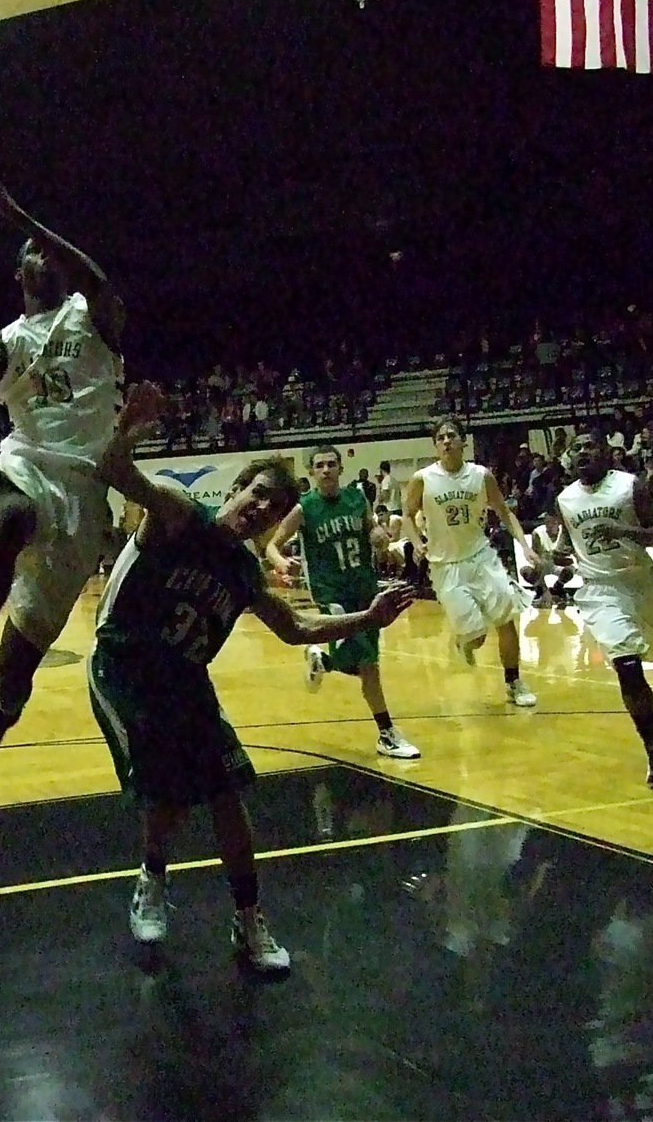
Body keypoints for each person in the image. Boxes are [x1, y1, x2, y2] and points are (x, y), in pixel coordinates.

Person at [92, 416, 414, 973]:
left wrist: (371, 616)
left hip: (186, 681)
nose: (261, 508)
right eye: (258, 493)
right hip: (126, 670)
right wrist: (131, 427)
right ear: (238, 488)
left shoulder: (243, 571)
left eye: (272, 506)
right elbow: (113, 469)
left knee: (228, 794)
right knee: (167, 793)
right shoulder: (176, 513)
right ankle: (151, 875)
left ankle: (248, 919)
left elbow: (297, 631)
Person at [0, 156, 125, 760]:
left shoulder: (94, 315)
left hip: (83, 493)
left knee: (19, 668)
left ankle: (2, 707)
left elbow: (102, 283)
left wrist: (18, 216)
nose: (45, 253)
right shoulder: (4, 341)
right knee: (12, 517)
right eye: (33, 249)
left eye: (50, 248)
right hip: (24, 465)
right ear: (18, 272)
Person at [556, 430, 653, 789]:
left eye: (590, 445)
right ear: (570, 457)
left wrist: (622, 529)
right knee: (627, 664)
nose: (583, 451)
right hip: (602, 590)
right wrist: (553, 559)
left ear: (606, 453)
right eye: (577, 448)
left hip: (643, 583)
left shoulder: (628, 486)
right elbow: (564, 546)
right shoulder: (564, 499)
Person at [266, 445, 420, 759]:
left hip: (365, 590)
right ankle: (387, 733)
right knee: (369, 665)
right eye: (319, 465)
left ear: (339, 468)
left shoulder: (356, 499)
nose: (326, 470)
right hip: (332, 596)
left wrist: (378, 536)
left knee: (364, 663)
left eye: (331, 464)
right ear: (311, 472)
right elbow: (272, 544)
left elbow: (372, 527)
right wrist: (280, 562)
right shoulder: (304, 508)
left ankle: (324, 661)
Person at [403, 417, 540, 706]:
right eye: (440, 437)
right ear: (435, 445)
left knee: (505, 616)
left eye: (452, 435)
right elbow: (407, 514)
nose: (446, 441)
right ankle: (463, 639)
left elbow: (504, 511)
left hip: (480, 557)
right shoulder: (423, 478)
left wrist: (525, 546)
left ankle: (514, 682)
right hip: (445, 565)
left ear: (463, 441)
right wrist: (417, 543)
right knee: (476, 637)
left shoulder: (481, 475)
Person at [523, 511, 576, 606]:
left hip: (558, 564)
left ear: (558, 523)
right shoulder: (538, 533)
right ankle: (541, 590)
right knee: (526, 571)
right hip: (543, 562)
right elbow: (536, 556)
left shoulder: (564, 532)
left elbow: (570, 553)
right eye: (548, 523)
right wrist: (544, 588)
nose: (550, 525)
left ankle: (557, 588)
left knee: (571, 569)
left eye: (553, 523)